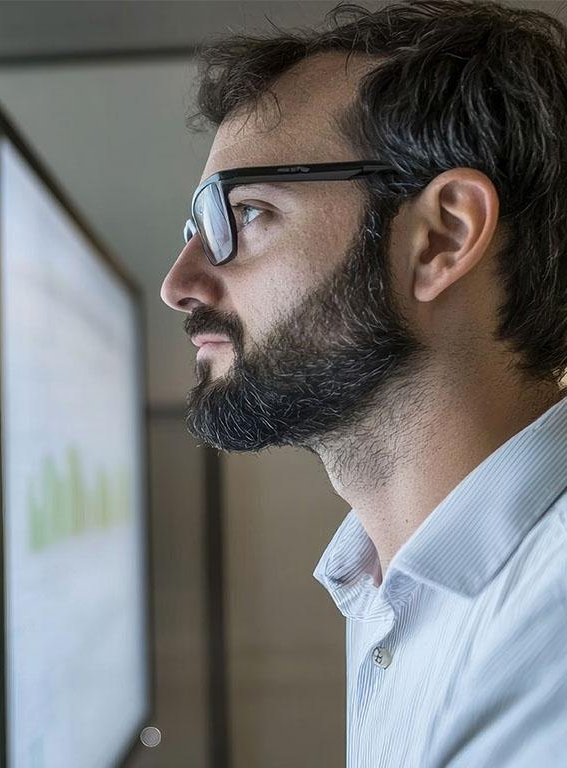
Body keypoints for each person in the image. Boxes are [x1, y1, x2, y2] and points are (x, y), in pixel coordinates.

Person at [159, 1, 567, 765]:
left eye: (243, 214)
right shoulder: (392, 575)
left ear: (442, 236)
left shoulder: (551, 637)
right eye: (195, 229)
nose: (180, 283)